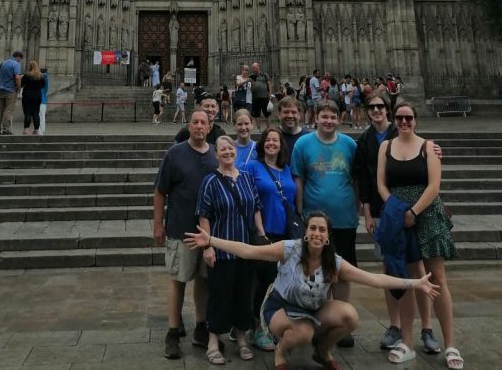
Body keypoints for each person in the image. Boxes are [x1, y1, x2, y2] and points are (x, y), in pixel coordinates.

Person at [185, 212, 440, 370]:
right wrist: (211, 241)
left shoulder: (334, 262)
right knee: (303, 332)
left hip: (312, 309)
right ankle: (281, 352)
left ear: (327, 236)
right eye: (313, 228)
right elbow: (247, 250)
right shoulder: (289, 249)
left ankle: (322, 351)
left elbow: (373, 279)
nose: (317, 233)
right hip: (281, 308)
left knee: (350, 316)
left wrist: (415, 283)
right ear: (306, 232)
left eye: (322, 229)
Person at [377, 101, 460, 368]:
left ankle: (450, 345)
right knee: (406, 279)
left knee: (438, 278)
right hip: (398, 214)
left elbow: (434, 185)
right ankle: (407, 343)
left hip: (425, 213)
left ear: (415, 120)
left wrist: (413, 211)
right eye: (399, 118)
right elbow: (381, 183)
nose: (403, 122)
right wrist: (396, 209)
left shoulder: (428, 147)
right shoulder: (385, 147)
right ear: (394, 120)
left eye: (408, 118)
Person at [355, 93, 440, 354]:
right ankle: (395, 327)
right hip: (386, 213)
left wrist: (435, 150)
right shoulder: (366, 140)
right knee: (391, 270)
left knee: (418, 271)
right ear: (367, 111)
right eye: (372, 107)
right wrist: (368, 213)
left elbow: (424, 159)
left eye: (381, 106)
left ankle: (426, 328)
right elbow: (365, 179)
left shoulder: (401, 131)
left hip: (415, 211)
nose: (377, 110)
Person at [154, 109, 219, 359]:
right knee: (178, 279)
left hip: (209, 233)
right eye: (195, 122)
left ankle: (201, 328)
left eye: (204, 123)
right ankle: (172, 332)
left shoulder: (215, 154)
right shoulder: (175, 153)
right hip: (180, 227)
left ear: (210, 127)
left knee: (204, 280)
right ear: (189, 126)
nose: (200, 126)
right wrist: (158, 224)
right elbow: (160, 191)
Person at [291, 99, 358, 339]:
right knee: (313, 270)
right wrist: (300, 212)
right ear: (315, 117)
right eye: (324, 116)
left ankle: (340, 319)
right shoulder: (303, 144)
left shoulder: (350, 144)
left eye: (332, 117)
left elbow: (358, 177)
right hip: (313, 221)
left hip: (344, 218)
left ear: (338, 119)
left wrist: (359, 208)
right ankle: (314, 318)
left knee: (342, 272)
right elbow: (298, 179)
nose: (328, 121)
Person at [196, 135, 266, 364]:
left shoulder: (246, 178)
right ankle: (213, 341)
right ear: (216, 154)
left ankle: (242, 339)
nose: (227, 152)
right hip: (221, 249)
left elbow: (256, 206)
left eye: (230, 148)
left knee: (242, 295)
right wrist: (207, 247)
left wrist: (261, 235)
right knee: (219, 295)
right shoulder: (210, 181)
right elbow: (204, 215)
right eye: (222, 149)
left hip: (245, 248)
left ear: (236, 152)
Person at [243, 128, 298, 351]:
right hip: (262, 233)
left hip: (284, 232)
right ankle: (255, 326)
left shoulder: (286, 169)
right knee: (261, 280)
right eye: (268, 140)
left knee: (277, 282)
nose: (271, 143)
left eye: (275, 140)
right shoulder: (252, 166)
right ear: (262, 144)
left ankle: (269, 325)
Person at [0, 51, 23, 136]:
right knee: (8, 109)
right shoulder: (15, 64)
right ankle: (6, 129)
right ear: (18, 57)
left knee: (0, 109)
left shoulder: (3, 63)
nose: (20, 61)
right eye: (20, 59)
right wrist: (18, 88)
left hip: (1, 89)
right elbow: (17, 78)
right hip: (10, 90)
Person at [21, 60, 45, 135]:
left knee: (27, 112)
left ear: (29, 67)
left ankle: (26, 130)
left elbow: (21, 84)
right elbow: (43, 86)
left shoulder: (26, 75)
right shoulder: (40, 76)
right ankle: (37, 130)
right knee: (36, 113)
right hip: (37, 96)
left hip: (27, 96)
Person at [39, 66, 50, 135]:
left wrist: (44, 75)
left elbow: (45, 79)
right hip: (42, 101)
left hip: (40, 101)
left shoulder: (43, 80)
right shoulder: (44, 82)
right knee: (41, 116)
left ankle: (40, 130)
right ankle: (41, 130)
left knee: (40, 116)